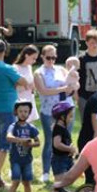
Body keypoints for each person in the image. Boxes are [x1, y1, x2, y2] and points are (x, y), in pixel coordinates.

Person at [0, 39, 29, 188]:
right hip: (7, 108)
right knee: (4, 144)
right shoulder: (6, 68)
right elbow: (23, 82)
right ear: (4, 51)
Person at [34, 44, 72, 183]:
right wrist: (62, 88)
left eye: (54, 57)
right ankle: (45, 171)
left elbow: (72, 84)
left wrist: (71, 88)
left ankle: (66, 169)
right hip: (49, 112)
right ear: (42, 57)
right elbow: (43, 91)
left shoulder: (61, 69)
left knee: (66, 141)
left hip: (66, 111)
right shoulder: (39, 73)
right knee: (50, 141)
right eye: (48, 57)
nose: (51, 60)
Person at [5, 100, 41, 192]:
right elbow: (9, 137)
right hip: (15, 159)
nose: (23, 113)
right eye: (20, 111)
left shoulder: (31, 128)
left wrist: (30, 144)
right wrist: (21, 140)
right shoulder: (13, 126)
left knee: (27, 182)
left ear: (29, 112)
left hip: (27, 160)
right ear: (16, 112)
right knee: (15, 181)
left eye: (26, 111)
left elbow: (38, 142)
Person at [49, 101, 77, 192]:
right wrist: (69, 149)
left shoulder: (62, 127)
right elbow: (57, 144)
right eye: (70, 116)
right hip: (59, 160)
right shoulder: (58, 128)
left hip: (64, 159)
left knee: (62, 186)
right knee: (59, 186)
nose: (71, 118)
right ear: (62, 117)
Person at [12, 45, 40, 122]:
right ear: (26, 55)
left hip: (29, 97)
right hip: (19, 98)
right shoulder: (15, 68)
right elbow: (13, 85)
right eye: (33, 58)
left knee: (30, 122)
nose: (34, 61)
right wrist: (26, 86)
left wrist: (34, 86)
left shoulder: (29, 67)